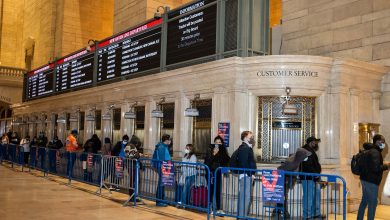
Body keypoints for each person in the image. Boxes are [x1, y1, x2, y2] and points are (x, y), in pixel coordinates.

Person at [272, 147, 312, 218]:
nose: (306, 158)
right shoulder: (292, 162)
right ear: (301, 155)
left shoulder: (296, 159)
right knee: (282, 197)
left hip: (285, 180)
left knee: (283, 197)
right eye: (305, 156)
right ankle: (279, 213)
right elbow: (280, 169)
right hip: (283, 181)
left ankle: (281, 213)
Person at [357, 134, 390, 220]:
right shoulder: (375, 152)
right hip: (371, 181)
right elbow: (376, 168)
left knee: (364, 201)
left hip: (364, 179)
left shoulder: (369, 150)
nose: (384, 144)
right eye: (382, 142)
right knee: (372, 203)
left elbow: (372, 166)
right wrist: (386, 166)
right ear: (377, 141)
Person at [232, 131, 257, 219]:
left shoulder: (246, 147)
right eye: (251, 136)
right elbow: (244, 163)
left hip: (246, 175)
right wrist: (251, 174)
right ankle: (242, 216)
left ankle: (241, 216)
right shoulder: (245, 148)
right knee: (245, 198)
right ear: (245, 137)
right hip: (246, 176)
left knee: (244, 197)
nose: (252, 138)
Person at [300, 136, 324, 219]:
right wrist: (315, 174)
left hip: (314, 177)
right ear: (310, 142)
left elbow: (314, 164)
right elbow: (307, 165)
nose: (316, 143)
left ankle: (315, 214)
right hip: (308, 177)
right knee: (308, 197)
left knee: (316, 196)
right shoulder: (305, 150)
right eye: (314, 142)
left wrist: (317, 175)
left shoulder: (311, 150)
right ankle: (307, 215)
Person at [204, 136, 230, 213]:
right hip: (210, 173)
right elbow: (207, 163)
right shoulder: (210, 149)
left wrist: (225, 170)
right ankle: (210, 208)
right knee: (211, 191)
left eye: (220, 142)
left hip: (218, 173)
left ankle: (219, 209)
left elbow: (226, 161)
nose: (218, 144)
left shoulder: (223, 150)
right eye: (216, 142)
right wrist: (214, 154)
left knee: (218, 191)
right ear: (214, 143)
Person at [153, 134, 171, 207]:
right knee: (161, 184)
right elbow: (161, 159)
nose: (170, 141)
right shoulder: (161, 147)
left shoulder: (164, 146)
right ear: (166, 140)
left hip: (164, 167)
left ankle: (161, 200)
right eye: (169, 140)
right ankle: (159, 201)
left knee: (162, 184)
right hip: (162, 167)